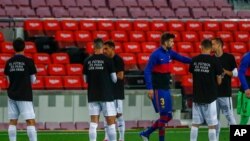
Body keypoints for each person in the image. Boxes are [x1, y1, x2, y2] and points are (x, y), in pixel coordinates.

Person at [140, 32, 192, 141]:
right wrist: (150, 88)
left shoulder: (169, 53)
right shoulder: (155, 54)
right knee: (165, 116)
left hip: (166, 89)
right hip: (158, 89)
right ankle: (150, 135)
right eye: (171, 41)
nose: (173, 43)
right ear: (165, 42)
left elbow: (182, 58)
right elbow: (147, 71)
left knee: (168, 116)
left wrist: (196, 61)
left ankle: (146, 134)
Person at [83, 38, 117, 141]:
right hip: (106, 95)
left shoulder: (87, 61)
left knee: (93, 123)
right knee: (110, 122)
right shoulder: (108, 60)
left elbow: (85, 79)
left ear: (94, 47)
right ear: (102, 47)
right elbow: (114, 79)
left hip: (93, 95)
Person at [189, 39, 223, 141]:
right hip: (210, 97)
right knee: (212, 125)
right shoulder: (215, 61)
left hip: (197, 96)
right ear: (211, 48)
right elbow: (219, 81)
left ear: (201, 47)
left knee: (195, 124)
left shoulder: (194, 60)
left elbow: (192, 74)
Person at [4, 38, 37, 141]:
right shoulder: (29, 61)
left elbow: (8, 79)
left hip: (12, 94)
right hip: (24, 95)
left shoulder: (8, 62)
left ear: (13, 48)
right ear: (24, 47)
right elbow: (33, 79)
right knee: (30, 121)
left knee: (12, 121)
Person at [211, 38, 237, 140]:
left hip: (225, 93)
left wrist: (225, 71)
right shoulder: (211, 59)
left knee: (230, 117)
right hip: (213, 94)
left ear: (219, 45)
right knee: (215, 119)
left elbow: (235, 73)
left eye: (213, 44)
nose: (212, 46)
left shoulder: (229, 57)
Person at [103, 41, 125, 141]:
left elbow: (120, 76)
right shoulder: (104, 60)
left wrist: (108, 76)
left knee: (118, 114)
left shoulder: (118, 59)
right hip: (107, 91)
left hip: (117, 91)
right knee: (106, 114)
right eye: (103, 49)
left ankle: (121, 138)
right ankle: (107, 137)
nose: (104, 51)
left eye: (106, 48)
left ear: (112, 48)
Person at [237, 52, 250, 125]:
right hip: (248, 88)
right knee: (245, 117)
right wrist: (246, 88)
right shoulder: (247, 57)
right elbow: (240, 73)